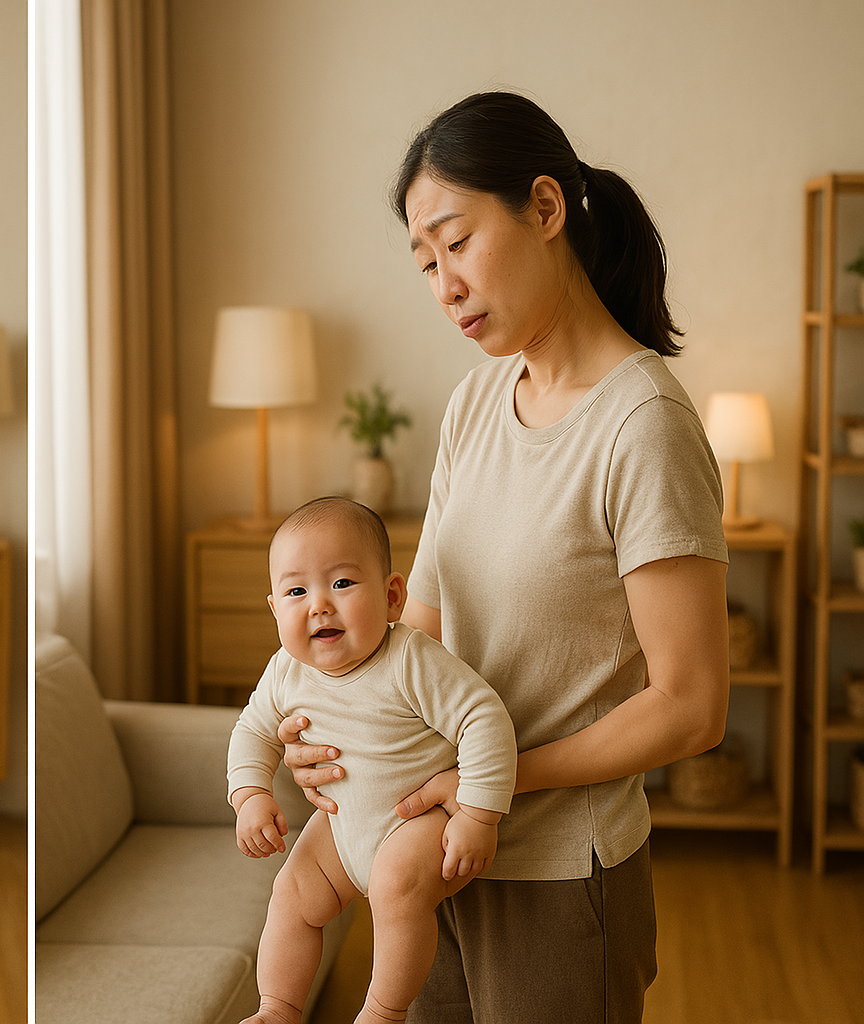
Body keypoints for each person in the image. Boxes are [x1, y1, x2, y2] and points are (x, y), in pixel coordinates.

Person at [277, 91, 729, 1023]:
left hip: (563, 874)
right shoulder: (476, 405)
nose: (443, 283)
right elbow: (421, 635)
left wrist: (493, 776)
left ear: (546, 208)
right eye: (425, 260)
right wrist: (340, 727)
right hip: (435, 857)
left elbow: (691, 707)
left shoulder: (643, 426)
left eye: (458, 240)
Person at [228, 497, 516, 1024]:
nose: (318, 605)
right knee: (291, 893)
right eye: (297, 591)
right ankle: (278, 1008)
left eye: (341, 583)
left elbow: (484, 719)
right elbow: (252, 731)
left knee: (395, 885)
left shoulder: (409, 659)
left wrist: (479, 813)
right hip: (340, 829)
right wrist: (250, 795)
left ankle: (384, 1012)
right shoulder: (285, 673)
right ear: (275, 610)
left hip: (417, 822)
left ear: (392, 596)